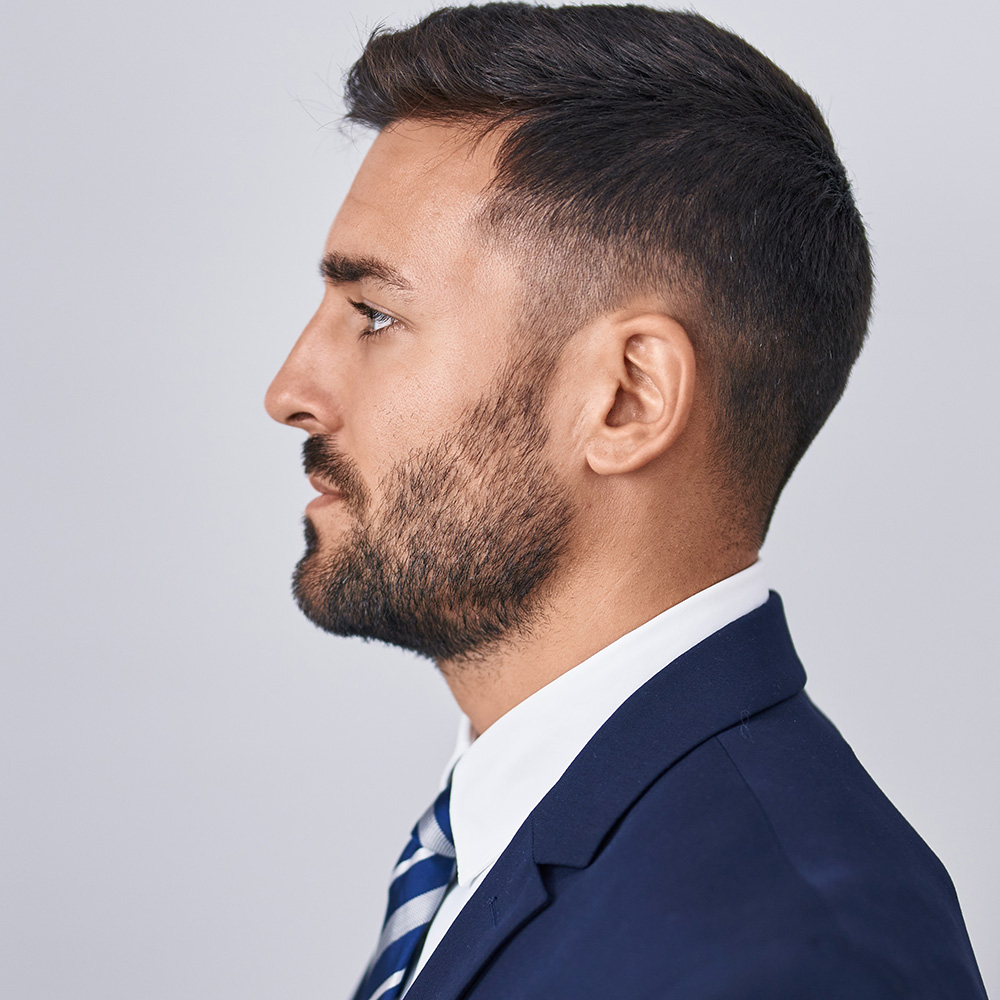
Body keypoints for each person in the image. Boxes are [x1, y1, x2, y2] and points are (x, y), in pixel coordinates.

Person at [265, 4, 987, 998]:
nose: (289, 389)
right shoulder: (523, 829)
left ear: (626, 397)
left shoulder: (791, 956)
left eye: (376, 315)